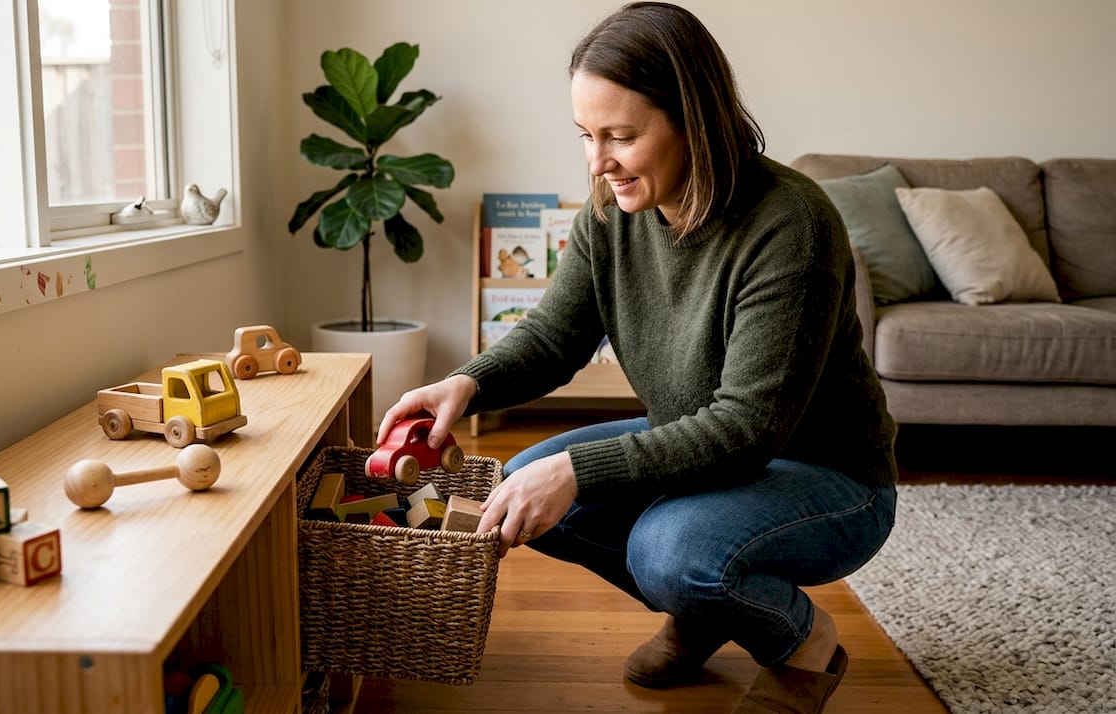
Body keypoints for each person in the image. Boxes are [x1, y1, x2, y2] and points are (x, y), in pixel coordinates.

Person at [376, 3, 897, 712]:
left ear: (695, 121)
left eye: (621, 136)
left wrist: (578, 470)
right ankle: (709, 610)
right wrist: (464, 384)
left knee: (666, 550)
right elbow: (555, 336)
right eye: (587, 135)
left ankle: (803, 644)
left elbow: (748, 428)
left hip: (828, 477)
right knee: (528, 481)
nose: (599, 162)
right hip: (715, 456)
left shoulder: (790, 225)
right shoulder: (612, 211)